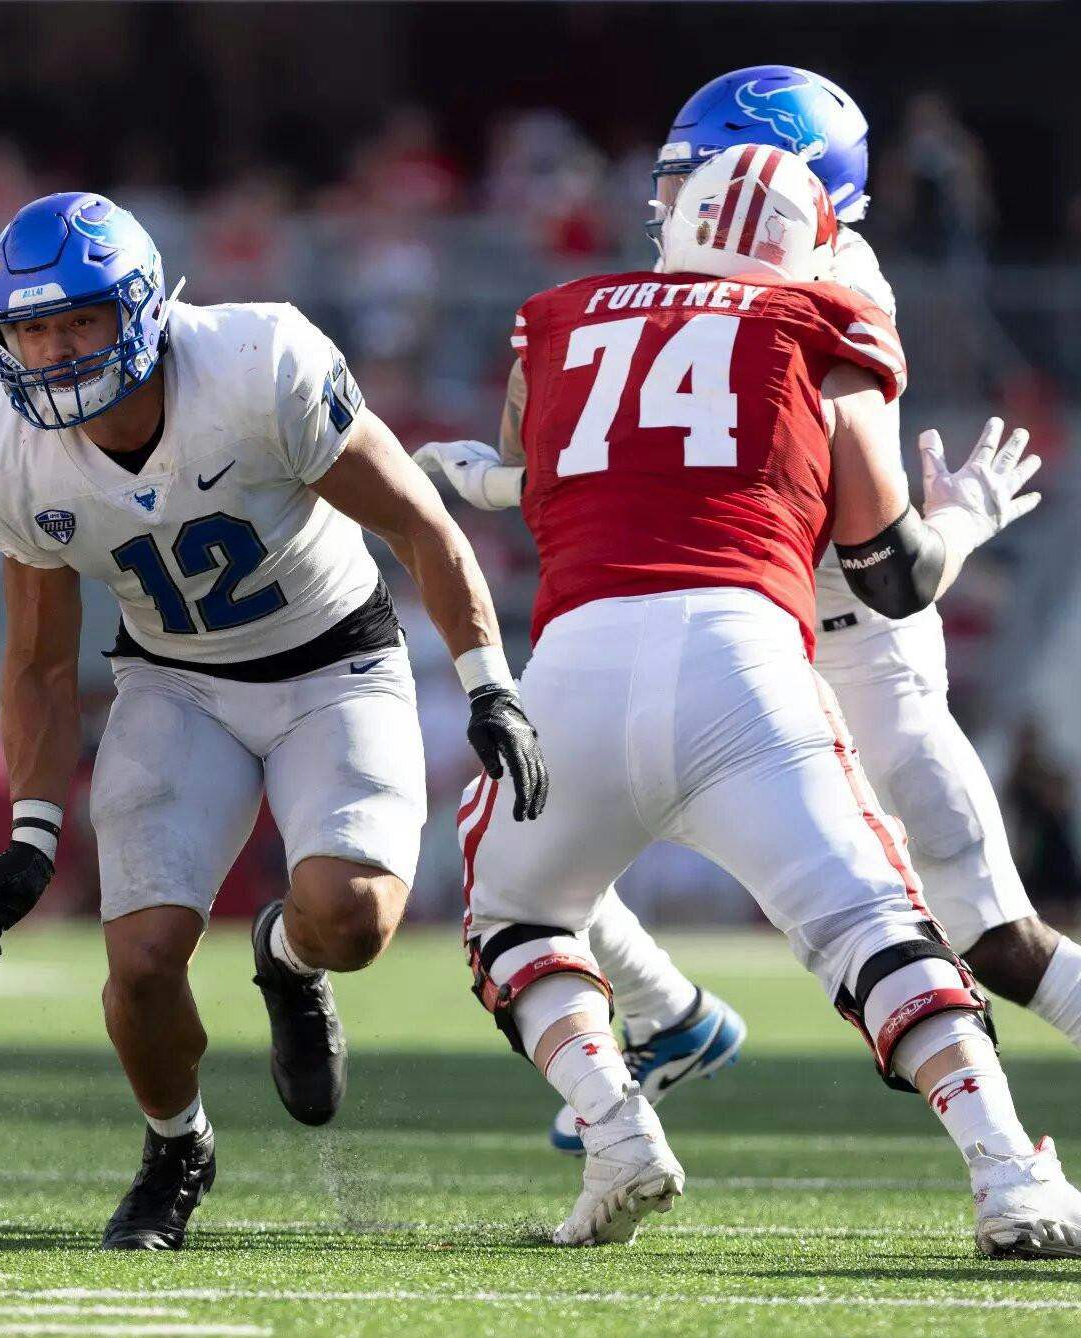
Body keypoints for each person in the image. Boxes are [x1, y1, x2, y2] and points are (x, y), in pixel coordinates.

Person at [421, 63, 1081, 1156]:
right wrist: (510, 476)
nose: (673, 198)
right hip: (732, 624)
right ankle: (666, 1017)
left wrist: (957, 520)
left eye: (698, 174)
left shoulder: (832, 301)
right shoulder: (731, 275)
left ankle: (660, 1028)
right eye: (683, 173)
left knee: (990, 941)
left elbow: (872, 551)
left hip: (842, 640)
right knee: (530, 834)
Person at [0, 192, 547, 1251]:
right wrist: (31, 832)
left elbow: (417, 522)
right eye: (30, 329)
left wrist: (488, 682)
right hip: (175, 685)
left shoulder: (255, 362)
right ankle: (175, 1147)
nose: (51, 351)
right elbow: (39, 656)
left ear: (137, 309)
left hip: (334, 665)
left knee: (351, 919)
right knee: (137, 965)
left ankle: (287, 957)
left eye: (76, 321)